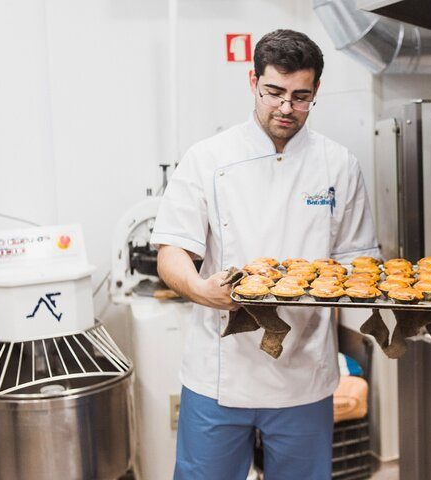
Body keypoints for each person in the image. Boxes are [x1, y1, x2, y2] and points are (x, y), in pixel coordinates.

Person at [150, 29, 379, 480]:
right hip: (219, 373)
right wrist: (200, 289)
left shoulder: (338, 165)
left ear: (316, 92)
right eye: (274, 92)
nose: (286, 108)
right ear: (252, 81)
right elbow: (172, 250)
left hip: (304, 371)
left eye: (301, 96)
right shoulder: (207, 158)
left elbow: (358, 262)